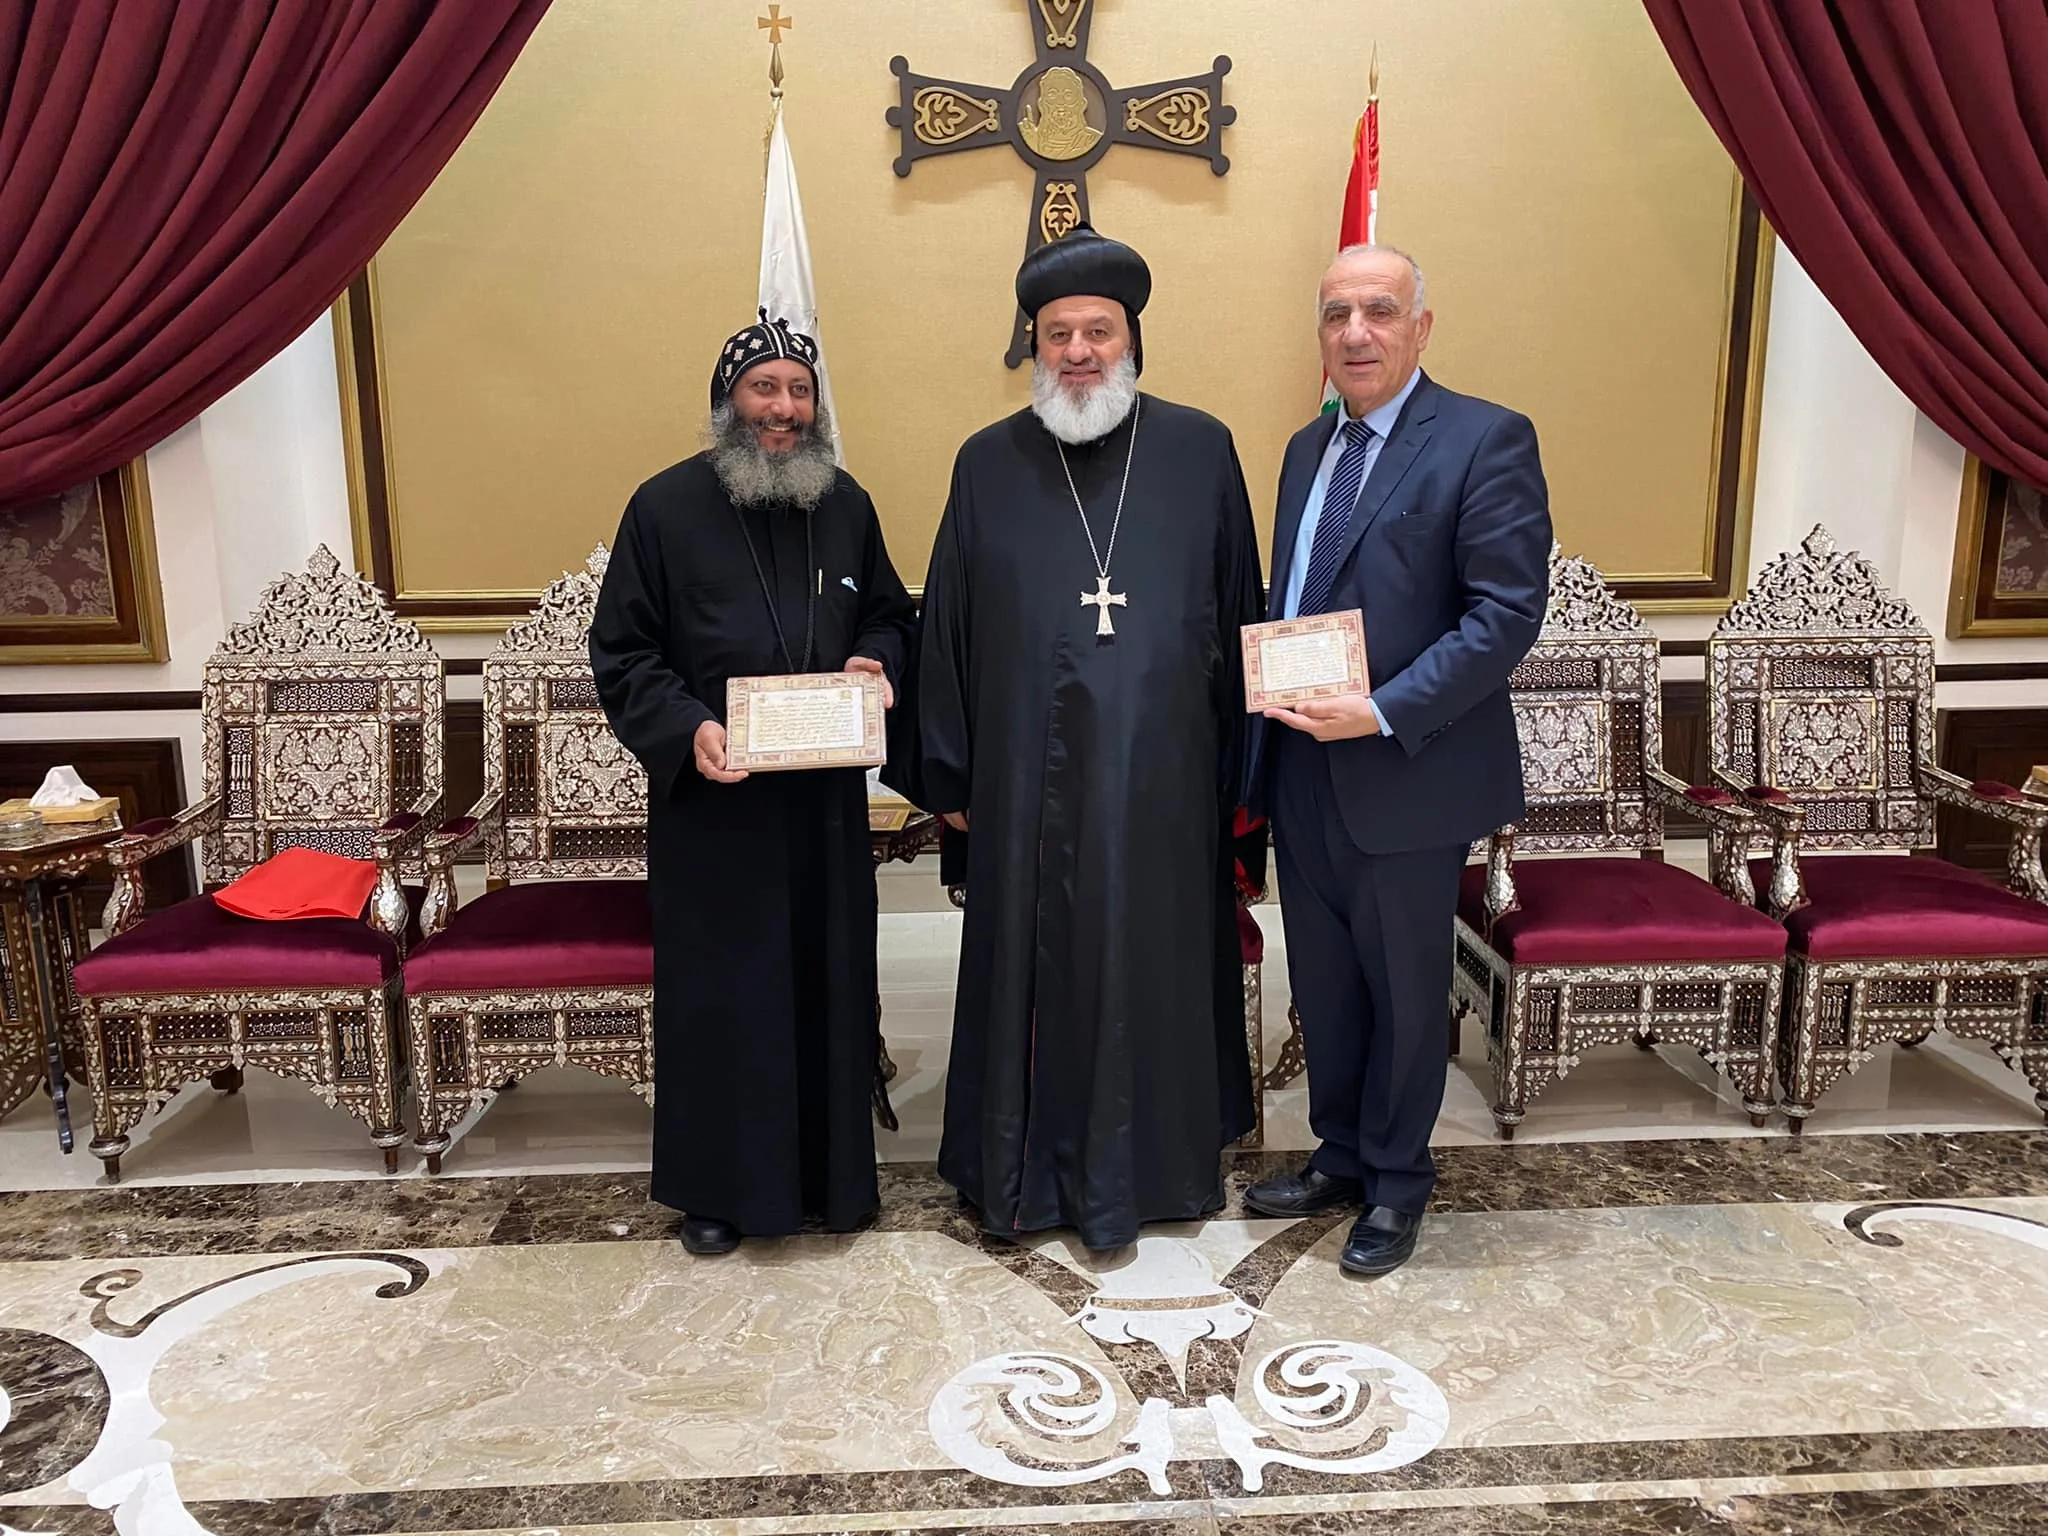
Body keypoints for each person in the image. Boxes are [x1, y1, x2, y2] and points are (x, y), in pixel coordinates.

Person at [902, 225, 1264, 1251]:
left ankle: (1162, 1167)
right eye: (1055, 333)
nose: (1076, 351)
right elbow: (951, 628)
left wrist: (1242, 773)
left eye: (1096, 331)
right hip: (1025, 785)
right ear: (1032, 345)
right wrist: (949, 771)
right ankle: (1023, 1172)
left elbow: (1237, 606)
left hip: (1165, 781)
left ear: (1131, 340)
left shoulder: (1200, 448)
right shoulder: (986, 462)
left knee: (1154, 961)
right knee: (1033, 959)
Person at [1244, 245, 1550, 1276]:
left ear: (1420, 326)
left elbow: (1504, 616)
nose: (1354, 332)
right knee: (1325, 986)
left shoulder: (1482, 439)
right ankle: (1338, 1154)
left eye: (1377, 310)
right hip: (1301, 769)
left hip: (1407, 771)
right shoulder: (1303, 449)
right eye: (1335, 313)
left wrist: (1375, 711)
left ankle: (1396, 1180)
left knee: (1404, 992)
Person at [590, 313, 917, 1256]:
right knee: (728, 997)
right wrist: (688, 727)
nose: (783, 409)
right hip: (715, 809)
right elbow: (623, 652)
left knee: (828, 981)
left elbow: (894, 616)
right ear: (728, 400)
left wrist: (871, 658)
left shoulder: (845, 505)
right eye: (764, 388)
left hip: (821, 812)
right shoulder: (661, 509)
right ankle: (721, 1191)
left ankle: (835, 1182)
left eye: (799, 391)